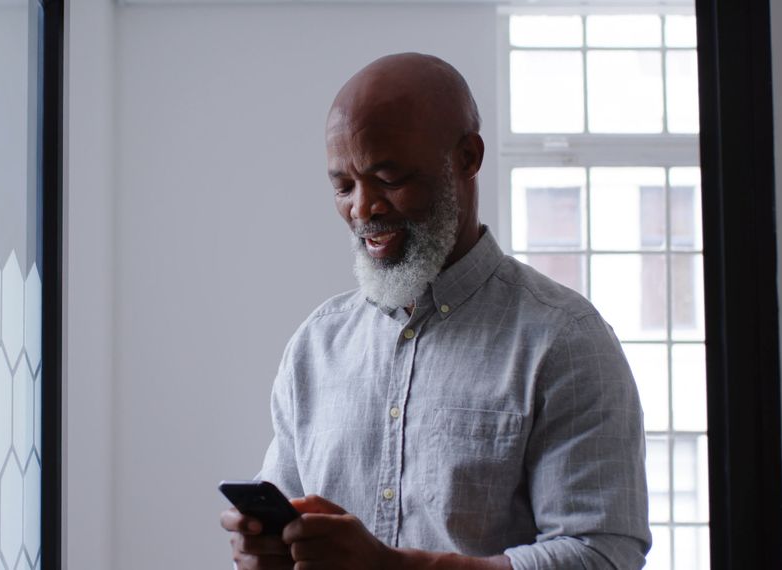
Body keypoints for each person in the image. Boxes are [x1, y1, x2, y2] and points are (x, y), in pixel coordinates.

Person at [220, 52, 650, 569]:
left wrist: (395, 568)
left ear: (467, 157)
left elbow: (602, 554)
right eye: (343, 185)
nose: (363, 208)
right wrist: (266, 553)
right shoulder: (316, 346)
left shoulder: (564, 340)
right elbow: (291, 526)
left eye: (389, 176)